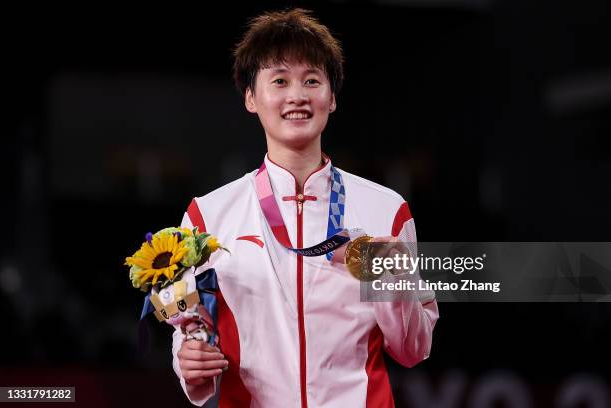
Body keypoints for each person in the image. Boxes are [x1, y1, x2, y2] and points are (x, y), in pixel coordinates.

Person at [173, 8, 439, 407]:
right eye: (279, 81)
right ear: (251, 97)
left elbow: (413, 348)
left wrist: (392, 281)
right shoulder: (208, 216)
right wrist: (188, 363)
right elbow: (192, 329)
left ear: (331, 98)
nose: (297, 96)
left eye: (312, 80)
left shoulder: (386, 210)